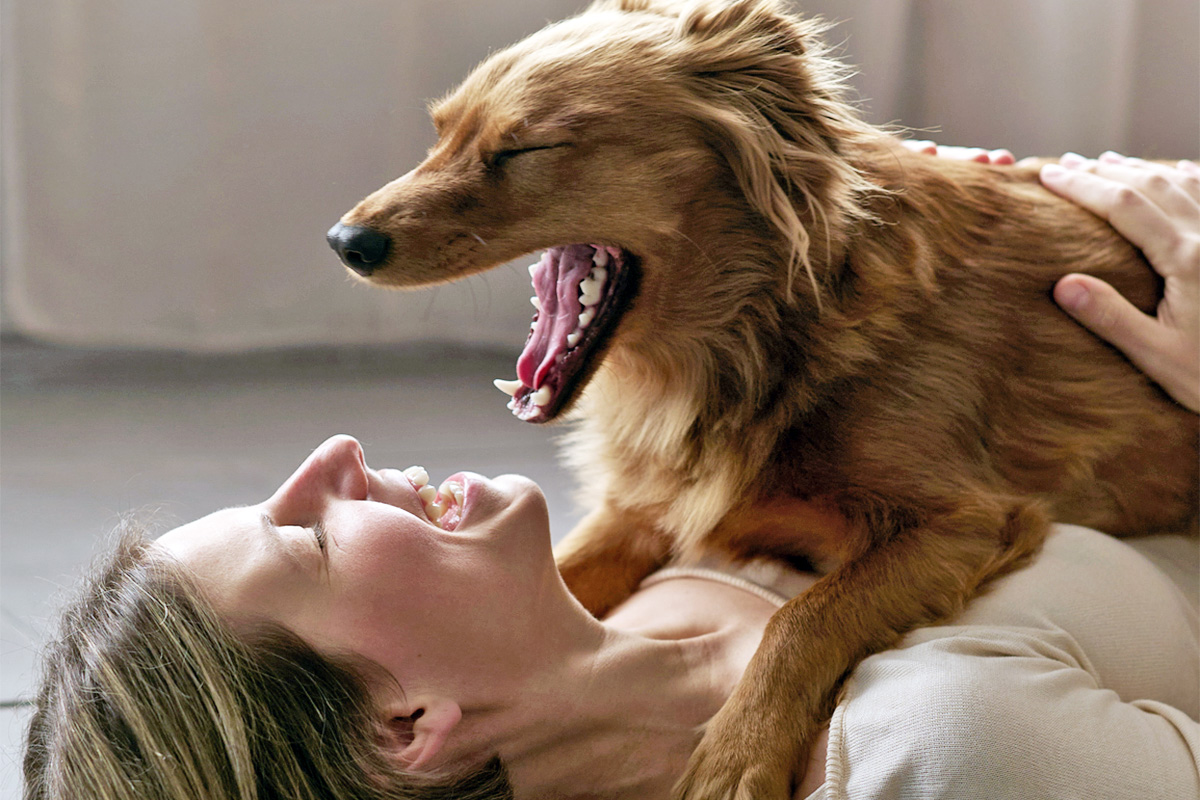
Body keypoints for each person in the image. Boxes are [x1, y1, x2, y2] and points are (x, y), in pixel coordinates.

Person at [23, 155, 1199, 800]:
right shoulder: (949, 756)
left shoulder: (616, 587)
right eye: (307, 539)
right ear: (406, 728)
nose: (330, 456)